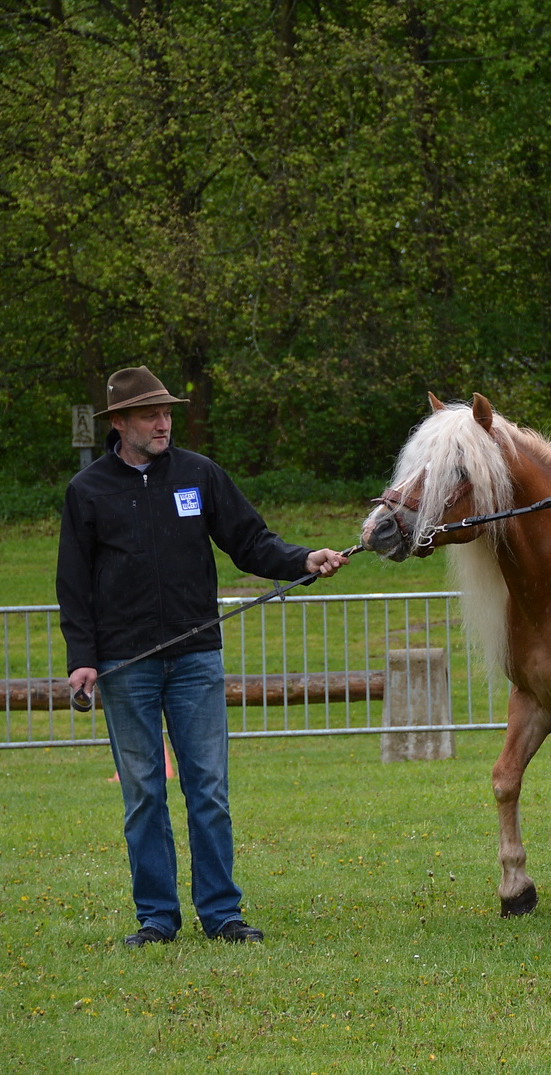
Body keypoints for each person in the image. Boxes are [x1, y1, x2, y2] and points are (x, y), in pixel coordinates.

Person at [58, 367, 350, 948]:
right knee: (144, 794)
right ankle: (157, 920)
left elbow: (250, 541)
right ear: (119, 423)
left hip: (195, 660)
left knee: (209, 791)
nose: (163, 422)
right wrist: (82, 657)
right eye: (149, 414)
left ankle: (221, 915)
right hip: (124, 666)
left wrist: (301, 561)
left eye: (166, 412)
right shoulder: (87, 491)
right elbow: (74, 582)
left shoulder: (199, 474)